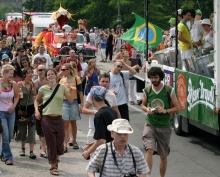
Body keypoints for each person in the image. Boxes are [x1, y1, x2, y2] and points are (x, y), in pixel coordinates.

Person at [141, 67, 180, 177]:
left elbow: (177, 108)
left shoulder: (169, 90)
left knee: (163, 156)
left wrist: (166, 110)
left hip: (164, 126)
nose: (153, 80)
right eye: (151, 78)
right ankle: (147, 175)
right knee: (149, 150)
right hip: (150, 124)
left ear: (160, 78)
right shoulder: (147, 90)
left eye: (155, 77)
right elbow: (143, 105)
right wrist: (147, 109)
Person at [34, 68, 74, 176]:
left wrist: (70, 91)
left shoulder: (62, 87)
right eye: (48, 75)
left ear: (56, 76)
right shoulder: (43, 89)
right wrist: (37, 111)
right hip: (47, 119)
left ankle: (55, 158)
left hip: (59, 118)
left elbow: (70, 101)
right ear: (46, 77)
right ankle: (53, 166)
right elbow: (36, 100)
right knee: (51, 142)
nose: (50, 76)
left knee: (59, 143)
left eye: (52, 74)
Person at [82, 72, 121, 143]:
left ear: (109, 83)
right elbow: (83, 109)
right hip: (94, 128)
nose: (105, 83)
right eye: (103, 81)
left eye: (107, 82)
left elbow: (116, 111)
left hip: (108, 130)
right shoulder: (92, 94)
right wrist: (94, 112)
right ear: (99, 82)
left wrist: (118, 125)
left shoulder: (112, 96)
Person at [82, 86, 117, 160]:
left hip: (106, 153)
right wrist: (94, 143)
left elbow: (102, 140)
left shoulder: (99, 115)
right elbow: (108, 136)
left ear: (92, 98)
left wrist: (88, 152)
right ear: (104, 96)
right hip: (115, 150)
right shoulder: (111, 111)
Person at [59, 63, 83, 152]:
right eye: (62, 70)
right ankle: (64, 144)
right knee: (65, 123)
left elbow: (81, 92)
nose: (62, 71)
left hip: (74, 101)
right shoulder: (62, 80)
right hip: (64, 101)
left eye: (64, 69)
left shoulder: (77, 79)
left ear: (69, 70)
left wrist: (82, 105)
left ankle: (75, 141)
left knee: (73, 123)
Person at [0, 64, 20, 165]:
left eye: (12, 73)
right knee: (5, 135)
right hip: (1, 113)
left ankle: (2, 153)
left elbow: (16, 97)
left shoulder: (14, 84)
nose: (12, 76)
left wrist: (13, 106)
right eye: (10, 73)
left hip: (11, 112)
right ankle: (8, 157)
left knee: (10, 135)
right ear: (4, 73)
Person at [17, 68, 37, 159]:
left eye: (31, 72)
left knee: (32, 130)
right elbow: (17, 97)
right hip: (22, 110)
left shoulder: (34, 84)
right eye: (28, 72)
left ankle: (31, 151)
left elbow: (35, 97)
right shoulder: (19, 84)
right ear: (24, 74)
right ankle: (22, 149)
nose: (31, 74)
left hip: (31, 109)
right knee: (22, 130)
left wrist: (36, 109)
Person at [33, 64, 48, 158]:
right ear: (37, 71)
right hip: (39, 107)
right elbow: (34, 97)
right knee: (40, 129)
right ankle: (43, 148)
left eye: (43, 69)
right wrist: (36, 110)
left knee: (46, 129)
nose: (41, 71)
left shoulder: (49, 82)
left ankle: (43, 148)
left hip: (48, 108)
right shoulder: (35, 82)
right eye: (40, 70)